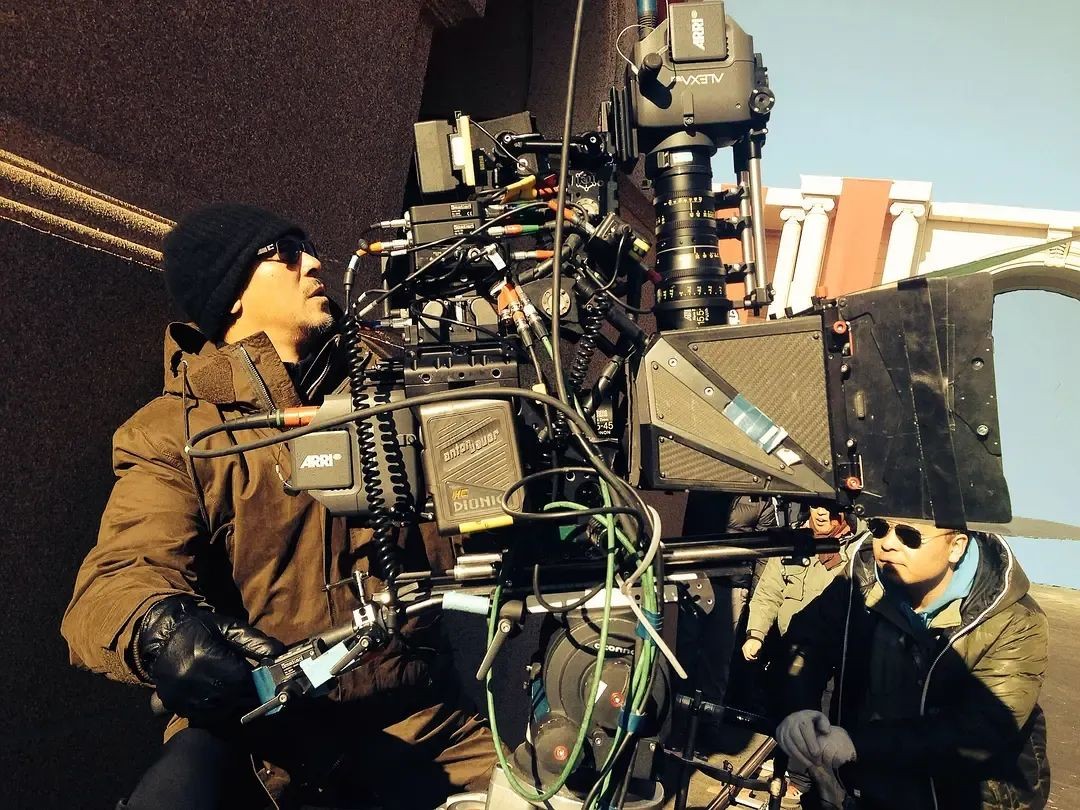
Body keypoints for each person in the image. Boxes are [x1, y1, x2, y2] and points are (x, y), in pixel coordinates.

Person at [61, 204, 496, 809]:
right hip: (266, 746)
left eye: (308, 247)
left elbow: (485, 527)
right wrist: (164, 633)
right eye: (286, 254)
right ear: (231, 295)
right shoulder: (174, 434)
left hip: (423, 731)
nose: (314, 263)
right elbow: (115, 579)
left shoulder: (396, 390)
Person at [774, 517, 1051, 809]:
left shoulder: (1016, 621)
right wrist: (800, 710)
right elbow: (807, 641)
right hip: (870, 787)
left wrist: (857, 744)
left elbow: (981, 731)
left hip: (962, 798)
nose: (887, 544)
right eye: (880, 528)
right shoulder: (862, 578)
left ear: (956, 547)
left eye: (909, 535)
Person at [741, 505, 862, 665]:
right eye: (815, 505)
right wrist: (756, 634)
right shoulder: (792, 541)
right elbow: (768, 592)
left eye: (828, 507)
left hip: (834, 653)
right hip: (790, 647)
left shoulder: (859, 547)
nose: (820, 512)